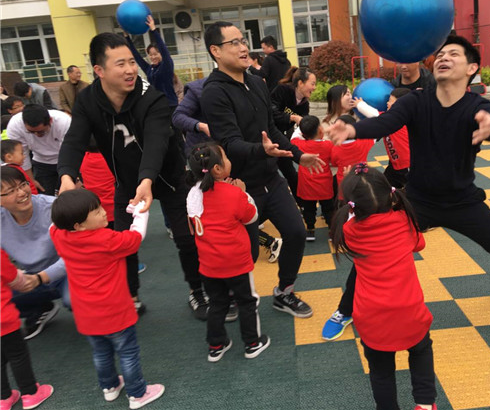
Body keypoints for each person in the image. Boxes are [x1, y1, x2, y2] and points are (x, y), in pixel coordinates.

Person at [324, 35, 490, 340]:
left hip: (464, 202)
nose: (443, 58)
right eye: (441, 54)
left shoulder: (477, 106)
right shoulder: (416, 102)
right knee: (373, 252)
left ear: (471, 68)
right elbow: (386, 122)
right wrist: (353, 129)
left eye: (453, 54)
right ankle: (345, 309)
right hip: (418, 201)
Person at [56, 32, 205, 320]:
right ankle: (131, 295)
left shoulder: (152, 97)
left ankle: (197, 291)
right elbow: (74, 140)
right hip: (126, 182)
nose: (130, 69)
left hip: (169, 179)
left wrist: (147, 180)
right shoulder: (87, 101)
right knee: (122, 244)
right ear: (99, 70)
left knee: (187, 239)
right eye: (120, 64)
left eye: (131, 62)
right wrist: (66, 177)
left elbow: (157, 141)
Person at [200, 21, 324, 318]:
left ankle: (284, 292)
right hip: (240, 186)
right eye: (234, 43)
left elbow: (271, 128)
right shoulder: (214, 92)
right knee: (246, 252)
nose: (243, 47)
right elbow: (229, 143)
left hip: (271, 178)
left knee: (295, 232)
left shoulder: (257, 82)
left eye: (243, 41)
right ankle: (227, 295)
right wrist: (262, 150)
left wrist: (297, 155)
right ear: (215, 51)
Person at [331, 164, 436, 410]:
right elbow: (418, 245)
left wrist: (350, 187)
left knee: (381, 372)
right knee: (421, 351)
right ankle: (424, 403)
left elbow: (354, 217)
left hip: (372, 317)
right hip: (410, 311)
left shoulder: (349, 231)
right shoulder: (405, 220)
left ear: (351, 205)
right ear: (391, 194)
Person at [49, 189, 165, 409]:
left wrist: (64, 205)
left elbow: (53, 226)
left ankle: (110, 387)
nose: (104, 212)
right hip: (115, 311)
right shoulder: (106, 239)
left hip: (86, 314)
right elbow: (136, 236)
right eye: (96, 211)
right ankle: (137, 394)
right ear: (78, 225)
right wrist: (140, 212)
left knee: (101, 352)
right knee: (128, 353)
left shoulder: (60, 236)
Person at [172, 78, 283, 263]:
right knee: (220, 210)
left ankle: (265, 242)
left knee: (227, 209)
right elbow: (178, 116)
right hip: (208, 158)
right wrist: (202, 126)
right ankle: (267, 242)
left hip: (225, 157)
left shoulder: (245, 86)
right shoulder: (200, 89)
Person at [186, 142, 271, 362]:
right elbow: (251, 217)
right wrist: (243, 193)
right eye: (225, 157)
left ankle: (216, 345)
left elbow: (192, 228)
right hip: (236, 263)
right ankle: (252, 343)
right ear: (217, 169)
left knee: (217, 303)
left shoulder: (192, 195)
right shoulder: (233, 193)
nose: (228, 160)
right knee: (247, 302)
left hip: (208, 264)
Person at [0, 167, 71, 340]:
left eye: (22, 185)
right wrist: (19, 277)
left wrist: (40, 278)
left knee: (73, 300)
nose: (21, 193)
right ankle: (40, 309)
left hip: (70, 272)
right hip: (31, 276)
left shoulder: (54, 208)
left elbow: (76, 254)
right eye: (11, 191)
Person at [1, 249, 54, 410]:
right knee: (18, 356)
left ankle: (3, 397)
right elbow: (13, 277)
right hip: (5, 320)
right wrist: (24, 280)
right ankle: (30, 393)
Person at [270, 66, 316, 201]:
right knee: (269, 173)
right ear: (301, 83)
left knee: (290, 172)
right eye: (312, 84)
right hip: (267, 135)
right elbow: (271, 113)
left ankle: (301, 203)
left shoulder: (304, 104)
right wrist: (292, 117)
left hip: (282, 139)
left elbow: (304, 126)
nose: (314, 88)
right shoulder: (282, 90)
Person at [6, 104, 71, 196]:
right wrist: (31, 181)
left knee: (68, 193)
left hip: (65, 160)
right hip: (41, 162)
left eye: (41, 131)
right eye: (31, 132)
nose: (37, 135)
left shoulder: (63, 121)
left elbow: (70, 152)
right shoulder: (15, 125)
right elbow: (22, 156)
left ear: (50, 121)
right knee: (44, 194)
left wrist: (70, 177)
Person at [355, 87, 412, 189]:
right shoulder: (392, 119)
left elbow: (375, 115)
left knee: (408, 190)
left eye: (390, 101)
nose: (387, 103)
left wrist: (360, 104)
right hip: (394, 164)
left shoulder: (398, 120)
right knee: (384, 186)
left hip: (406, 165)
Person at [290, 115, 334, 242]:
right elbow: (334, 160)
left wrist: (299, 123)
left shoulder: (298, 144)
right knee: (329, 208)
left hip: (306, 185)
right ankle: (331, 230)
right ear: (320, 130)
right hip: (325, 185)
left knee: (309, 209)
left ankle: (310, 229)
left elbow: (294, 136)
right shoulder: (328, 145)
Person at [125, 16, 177, 110]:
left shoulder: (166, 65)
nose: (153, 57)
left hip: (170, 105)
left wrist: (153, 30)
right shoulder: (150, 69)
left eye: (155, 54)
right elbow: (137, 56)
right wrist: (127, 37)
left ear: (161, 54)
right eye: (150, 55)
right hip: (156, 105)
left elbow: (163, 49)